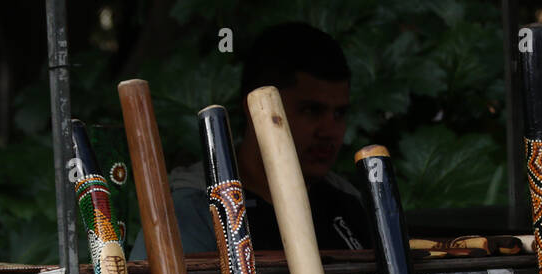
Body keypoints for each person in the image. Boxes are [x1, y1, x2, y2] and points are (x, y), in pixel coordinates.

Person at [133, 21, 372, 257]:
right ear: (257, 108)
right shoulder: (191, 212)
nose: (329, 130)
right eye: (311, 110)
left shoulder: (349, 203)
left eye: (339, 113)